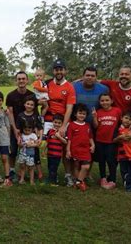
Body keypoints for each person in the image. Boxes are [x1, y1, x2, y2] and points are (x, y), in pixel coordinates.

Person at [44, 59, 76, 187]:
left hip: (63, 121)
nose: (59, 72)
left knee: (64, 149)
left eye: (61, 69)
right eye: (56, 69)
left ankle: (68, 175)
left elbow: (69, 108)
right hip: (49, 120)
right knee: (50, 147)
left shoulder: (69, 87)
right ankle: (52, 175)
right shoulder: (48, 85)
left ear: (65, 71)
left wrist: (64, 125)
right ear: (53, 71)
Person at [6, 71, 35, 181]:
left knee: (29, 150)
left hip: (28, 128)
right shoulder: (11, 95)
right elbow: (10, 113)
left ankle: (28, 171)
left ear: (27, 80)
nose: (21, 81)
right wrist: (14, 129)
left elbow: (34, 112)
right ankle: (12, 170)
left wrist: (34, 130)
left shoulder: (31, 95)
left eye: (23, 78)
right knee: (13, 150)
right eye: (19, 79)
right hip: (15, 126)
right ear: (16, 81)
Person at [100, 66, 131, 132]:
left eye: (127, 74)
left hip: (126, 127)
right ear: (119, 75)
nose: (124, 76)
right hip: (112, 125)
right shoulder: (112, 84)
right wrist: (79, 80)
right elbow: (93, 80)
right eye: (122, 74)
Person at [92, 93, 122, 189]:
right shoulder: (99, 112)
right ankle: (103, 178)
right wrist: (94, 117)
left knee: (111, 160)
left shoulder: (117, 111)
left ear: (111, 101)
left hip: (112, 141)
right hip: (100, 140)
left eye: (107, 100)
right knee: (101, 160)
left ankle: (112, 179)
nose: (105, 102)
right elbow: (96, 126)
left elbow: (120, 124)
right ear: (99, 102)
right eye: (102, 101)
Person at [66, 104, 95, 192]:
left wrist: (93, 145)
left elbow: (90, 137)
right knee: (76, 166)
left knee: (86, 166)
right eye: (80, 113)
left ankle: (79, 181)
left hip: (85, 149)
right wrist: (68, 150)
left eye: (84, 114)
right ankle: (78, 182)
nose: (82, 115)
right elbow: (69, 139)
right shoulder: (71, 125)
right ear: (75, 114)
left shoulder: (87, 125)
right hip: (75, 149)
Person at [16, 95, 44, 182]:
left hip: (34, 140)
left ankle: (39, 174)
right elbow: (18, 130)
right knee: (22, 159)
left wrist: (40, 138)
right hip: (24, 141)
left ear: (34, 106)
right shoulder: (20, 115)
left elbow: (40, 127)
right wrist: (19, 139)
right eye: (28, 104)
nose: (29, 106)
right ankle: (22, 175)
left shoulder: (36, 115)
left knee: (36, 157)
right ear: (24, 104)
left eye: (31, 105)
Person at [114, 111, 131, 193]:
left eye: (130, 119)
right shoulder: (118, 129)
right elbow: (114, 140)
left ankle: (129, 179)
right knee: (124, 171)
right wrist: (120, 137)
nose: (127, 120)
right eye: (126, 118)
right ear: (121, 118)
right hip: (122, 155)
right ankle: (129, 187)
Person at [46, 114, 67, 186]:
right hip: (50, 153)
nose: (57, 124)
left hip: (57, 154)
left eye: (59, 123)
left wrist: (59, 137)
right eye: (55, 122)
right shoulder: (50, 131)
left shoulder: (62, 133)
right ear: (52, 122)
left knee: (53, 168)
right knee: (49, 167)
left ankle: (53, 182)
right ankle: (51, 178)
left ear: (62, 123)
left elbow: (65, 141)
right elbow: (48, 139)